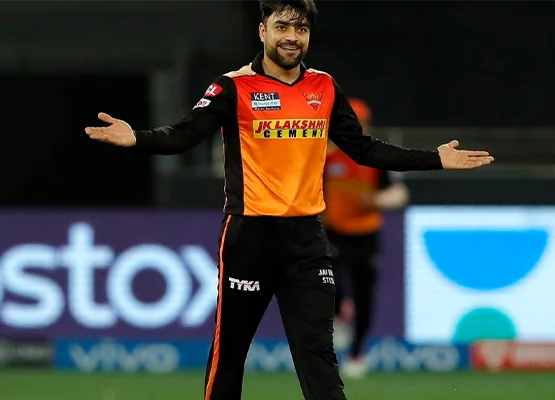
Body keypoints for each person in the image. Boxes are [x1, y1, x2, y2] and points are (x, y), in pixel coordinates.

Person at [84, 1, 494, 399]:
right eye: (282, 27)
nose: (292, 37)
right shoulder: (231, 87)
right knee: (229, 355)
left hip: (308, 241)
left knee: (318, 357)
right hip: (249, 237)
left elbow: (364, 149)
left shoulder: (324, 86)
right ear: (263, 31)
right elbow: (185, 134)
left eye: (301, 29)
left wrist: (434, 159)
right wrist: (137, 137)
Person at [323, 98, 408, 379]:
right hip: (333, 231)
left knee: (364, 294)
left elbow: (399, 194)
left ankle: (358, 352)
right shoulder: (327, 155)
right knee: (327, 282)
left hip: (366, 232)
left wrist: (375, 199)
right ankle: (338, 314)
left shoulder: (375, 157)